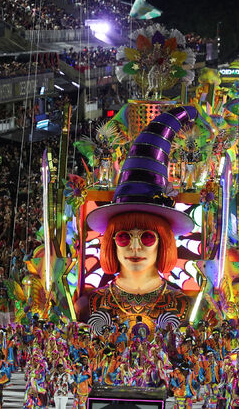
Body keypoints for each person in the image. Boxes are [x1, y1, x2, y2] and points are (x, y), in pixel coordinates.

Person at [79, 107, 196, 337]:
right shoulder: (90, 305)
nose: (134, 247)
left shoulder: (184, 306)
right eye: (123, 237)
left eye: (147, 237)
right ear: (111, 243)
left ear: (163, 241)